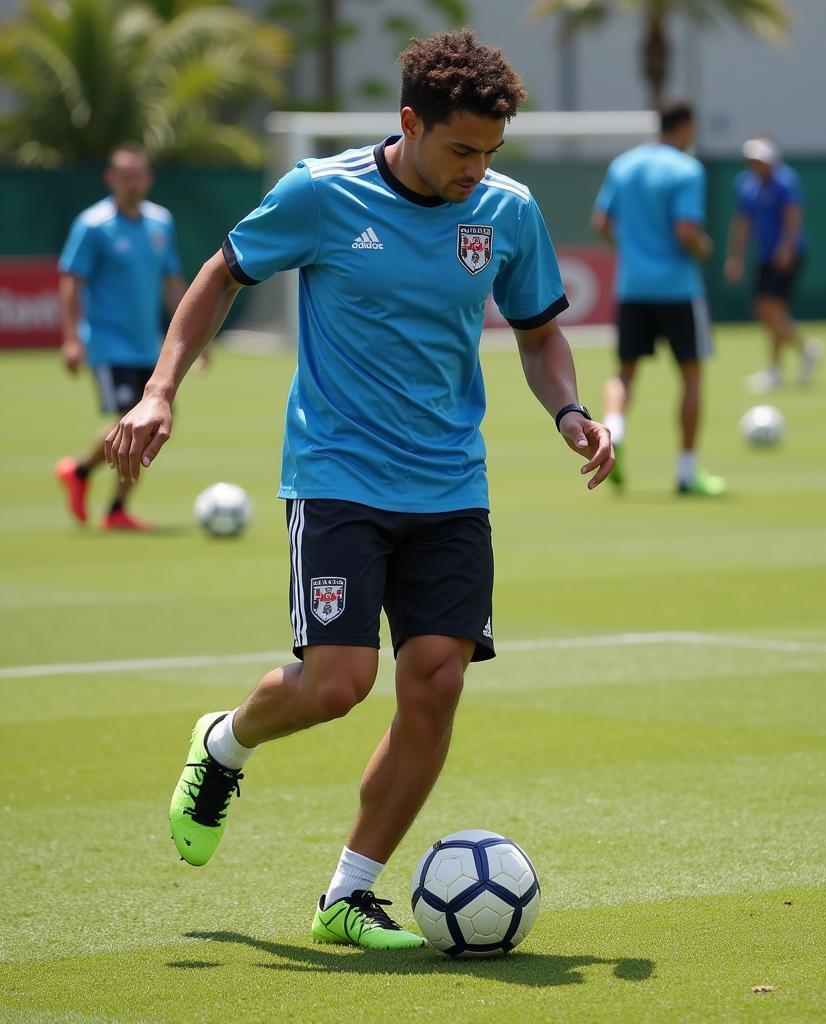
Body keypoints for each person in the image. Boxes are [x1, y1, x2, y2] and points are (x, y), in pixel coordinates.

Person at [105, 30, 613, 951]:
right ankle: (225, 743)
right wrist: (158, 390)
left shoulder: (507, 211)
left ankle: (349, 893)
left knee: (437, 683)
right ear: (410, 122)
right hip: (337, 474)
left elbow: (539, 335)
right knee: (340, 684)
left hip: (453, 483)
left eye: (491, 152)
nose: (477, 169)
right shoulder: (319, 194)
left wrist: (569, 410)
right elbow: (222, 273)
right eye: (461, 148)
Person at [592, 101, 725, 496]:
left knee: (624, 372)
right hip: (678, 289)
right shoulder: (687, 169)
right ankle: (687, 473)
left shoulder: (624, 165)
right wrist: (705, 248)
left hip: (633, 287)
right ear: (685, 127)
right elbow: (687, 231)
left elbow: (600, 223)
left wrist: (633, 250)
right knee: (691, 376)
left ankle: (614, 430)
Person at [55, 143, 189, 530]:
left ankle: (113, 506)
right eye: (125, 176)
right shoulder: (93, 224)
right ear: (110, 179)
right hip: (108, 343)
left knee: (152, 424)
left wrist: (196, 336)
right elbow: (70, 281)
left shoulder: (160, 222)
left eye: (139, 175)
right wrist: (70, 339)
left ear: (148, 178)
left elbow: (172, 280)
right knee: (133, 419)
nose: (133, 183)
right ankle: (80, 472)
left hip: (148, 343)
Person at [724, 135, 823, 394]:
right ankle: (802, 352)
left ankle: (778, 368)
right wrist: (736, 257)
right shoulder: (746, 185)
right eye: (752, 160)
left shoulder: (785, 181)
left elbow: (793, 216)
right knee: (766, 311)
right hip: (765, 256)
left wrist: (787, 248)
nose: (755, 164)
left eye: (760, 159)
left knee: (772, 310)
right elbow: (742, 224)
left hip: (787, 254)